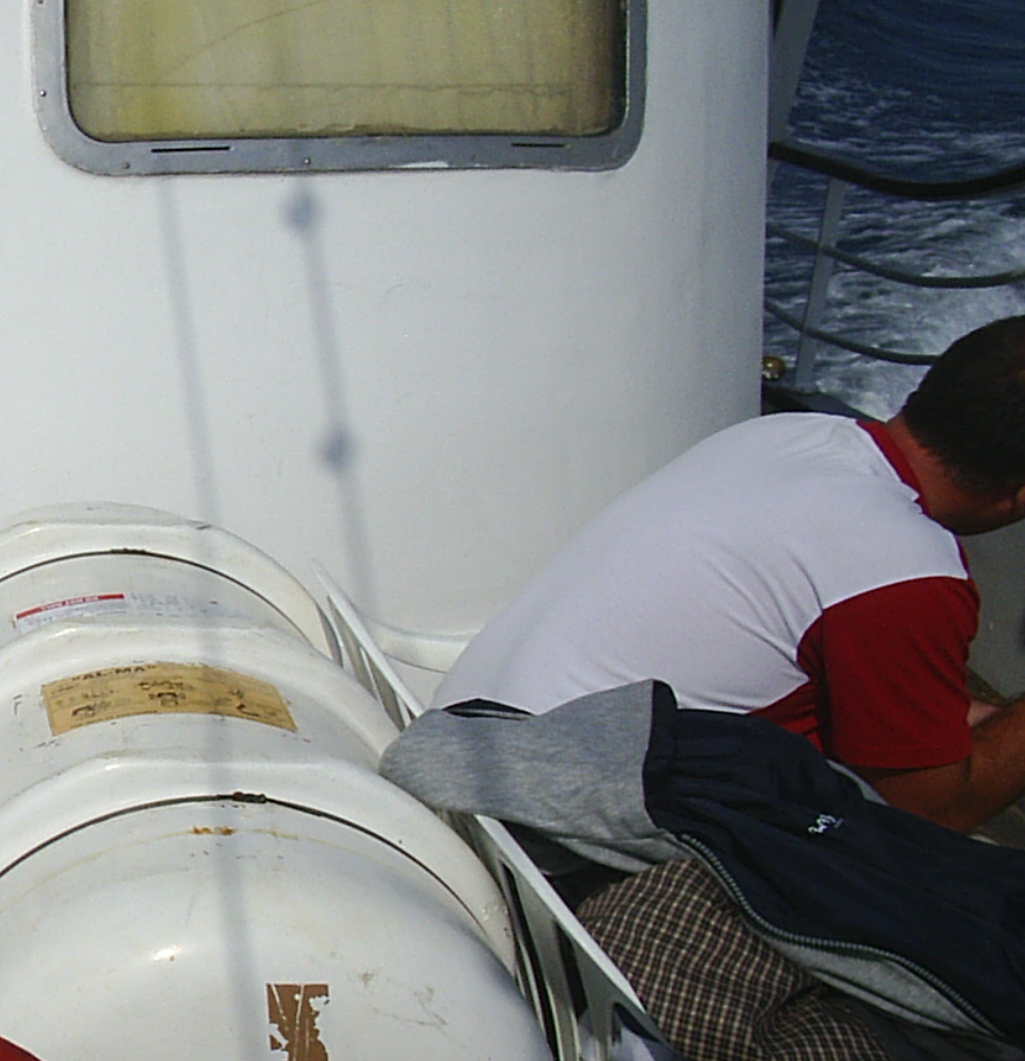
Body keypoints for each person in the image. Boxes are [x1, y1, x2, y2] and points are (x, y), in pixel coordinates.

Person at [437, 314, 1025, 832]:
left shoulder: (783, 439)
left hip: (461, 752)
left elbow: (898, 707)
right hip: (549, 825)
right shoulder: (903, 567)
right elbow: (933, 809)